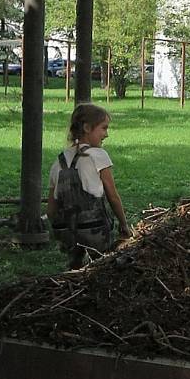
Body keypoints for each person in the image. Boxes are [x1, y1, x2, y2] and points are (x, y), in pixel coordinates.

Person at [47, 102, 132, 269]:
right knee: (102, 266)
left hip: (65, 232)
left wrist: (64, 232)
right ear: (87, 128)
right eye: (104, 128)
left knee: (75, 268)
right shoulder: (98, 155)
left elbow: (51, 210)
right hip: (95, 230)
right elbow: (112, 196)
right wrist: (124, 224)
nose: (106, 134)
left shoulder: (58, 161)